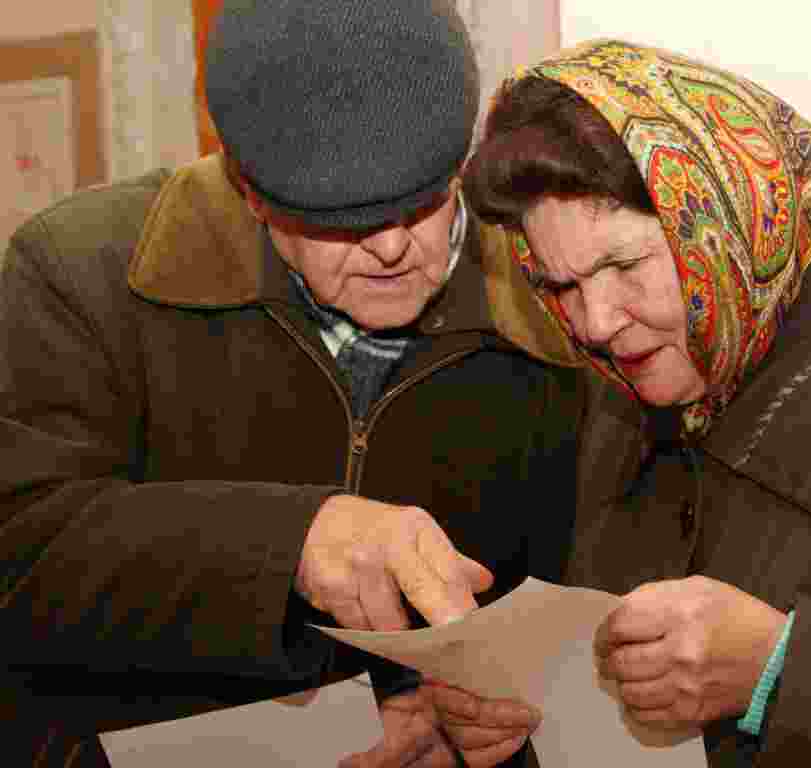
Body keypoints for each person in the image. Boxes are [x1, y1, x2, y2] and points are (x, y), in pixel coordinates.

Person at [0, 6, 648, 768]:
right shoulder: (84, 273)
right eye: (339, 221)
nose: (390, 245)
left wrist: (491, 725)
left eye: (423, 201)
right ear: (251, 193)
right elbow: (21, 548)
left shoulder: (565, 306)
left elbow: (597, 613)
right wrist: (292, 543)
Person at [456, 38, 811, 767]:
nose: (595, 322)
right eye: (562, 287)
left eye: (625, 264)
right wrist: (513, 719)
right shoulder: (627, 394)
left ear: (725, 215)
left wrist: (781, 673)